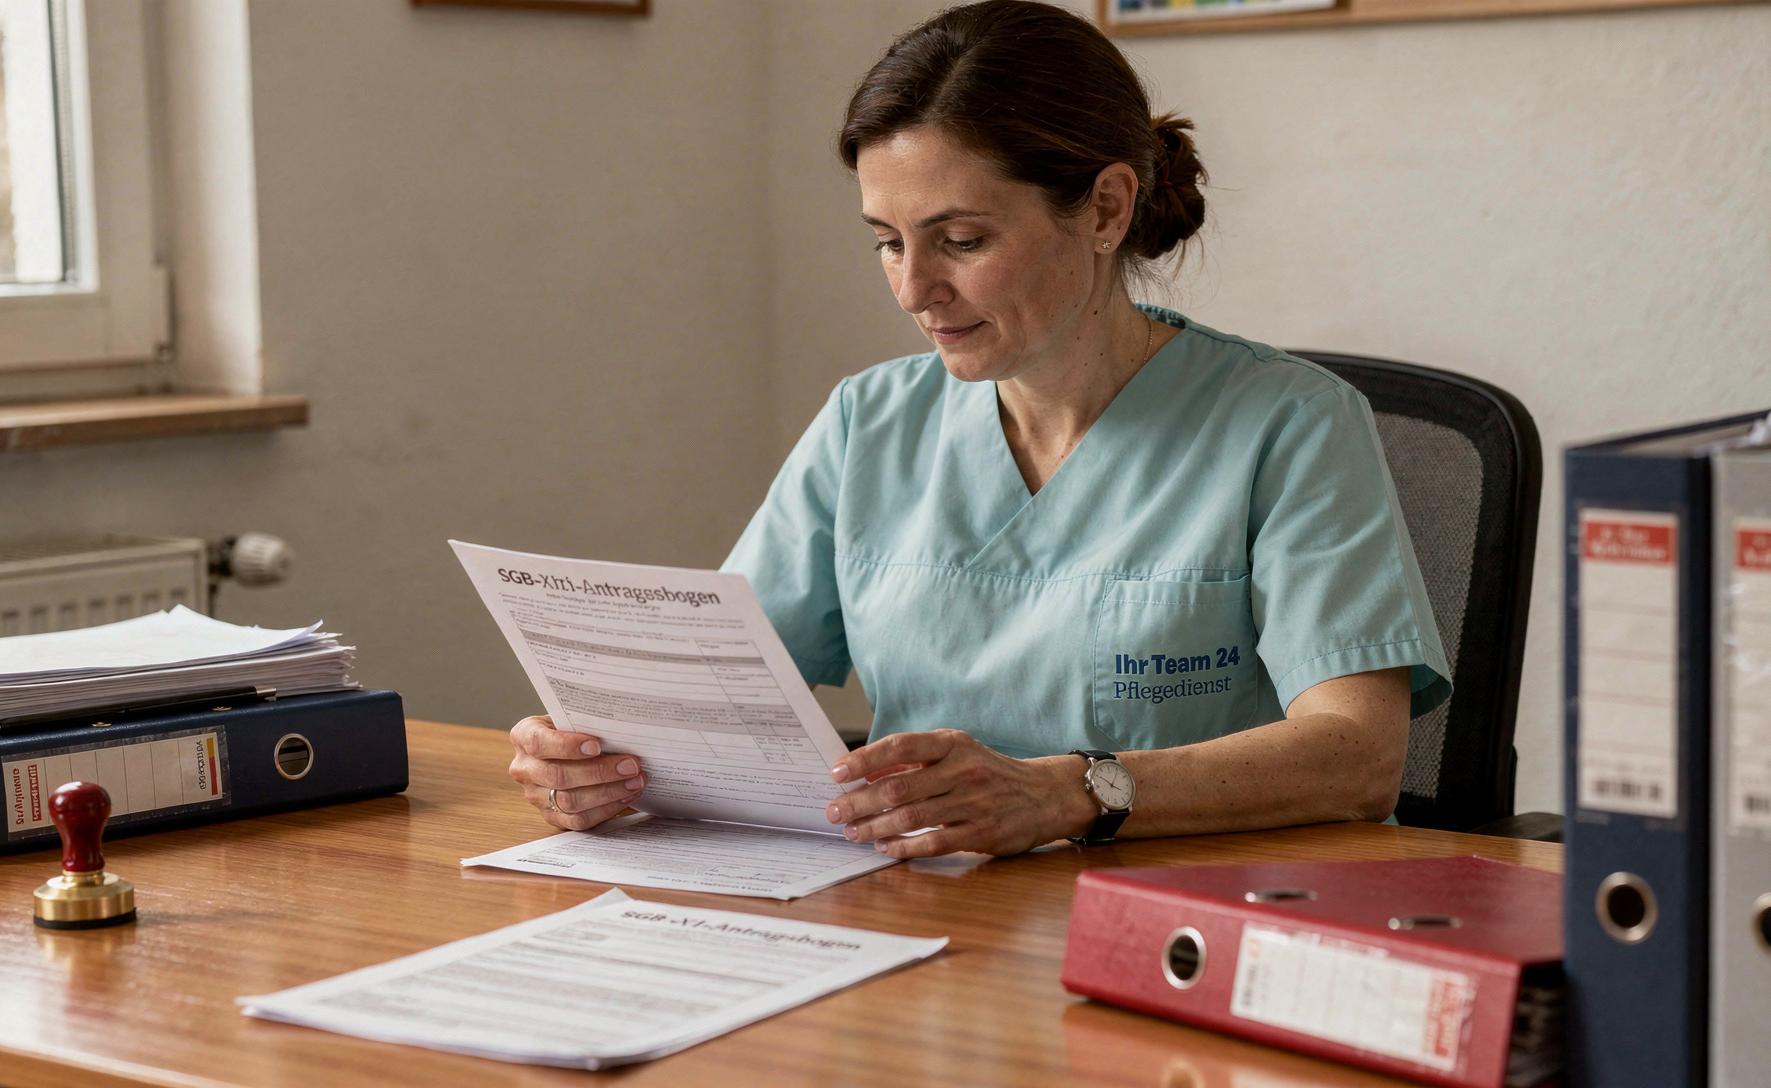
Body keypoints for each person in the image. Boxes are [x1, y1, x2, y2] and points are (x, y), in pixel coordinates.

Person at [506, 0, 1449, 858]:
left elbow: (1356, 757)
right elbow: (713, 702)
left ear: (1107, 209)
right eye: (888, 240)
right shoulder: (867, 421)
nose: (915, 290)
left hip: (1186, 925)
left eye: (961, 241)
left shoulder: (1291, 424)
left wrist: (1072, 792)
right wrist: (595, 761)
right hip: (927, 913)